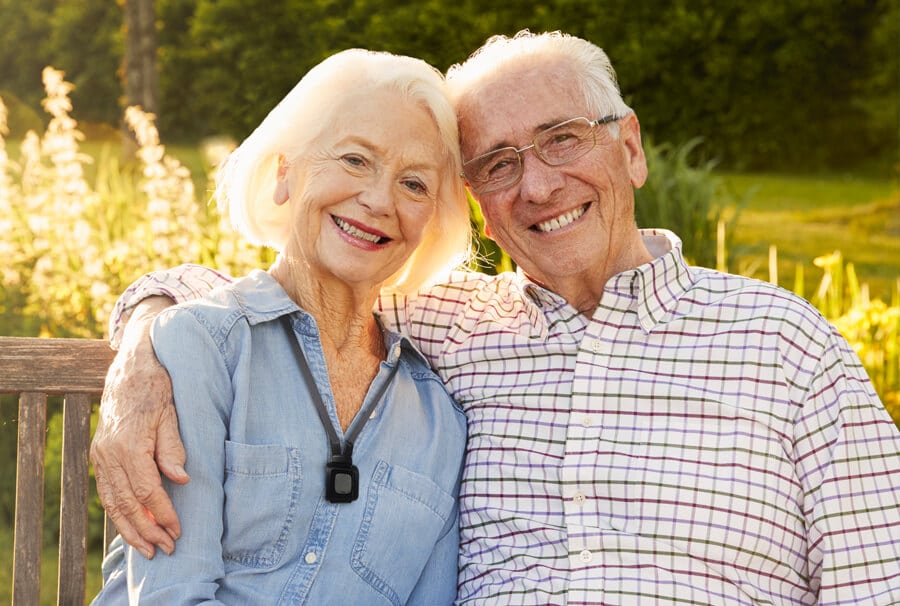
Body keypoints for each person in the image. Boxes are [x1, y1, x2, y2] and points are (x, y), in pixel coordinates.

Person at [92, 31, 900, 605]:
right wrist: (141, 349)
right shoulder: (451, 328)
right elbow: (282, 290)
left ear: (630, 148)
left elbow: (881, 576)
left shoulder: (783, 343)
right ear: (476, 206)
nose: (539, 187)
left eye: (562, 141)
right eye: (500, 165)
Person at [91, 48, 472, 604]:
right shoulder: (203, 345)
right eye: (354, 160)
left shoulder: (441, 417)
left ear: (431, 223)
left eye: (414, 184)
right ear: (284, 173)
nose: (377, 199)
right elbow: (170, 595)